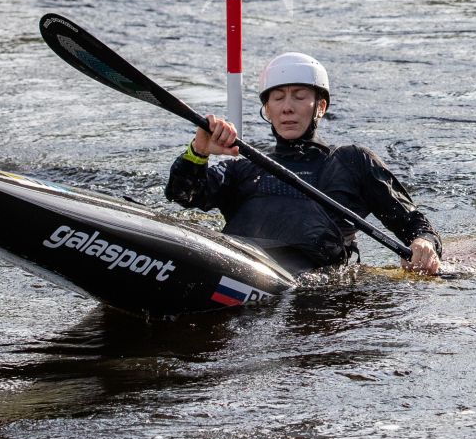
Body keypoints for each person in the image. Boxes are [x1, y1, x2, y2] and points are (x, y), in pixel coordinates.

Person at [164, 52, 443, 277]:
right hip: (237, 267)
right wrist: (198, 150)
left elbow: (415, 224)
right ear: (268, 110)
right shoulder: (243, 167)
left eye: (299, 96)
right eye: (278, 97)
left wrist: (424, 244)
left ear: (320, 107)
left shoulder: (352, 161)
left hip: (309, 289)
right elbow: (182, 195)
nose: (288, 107)